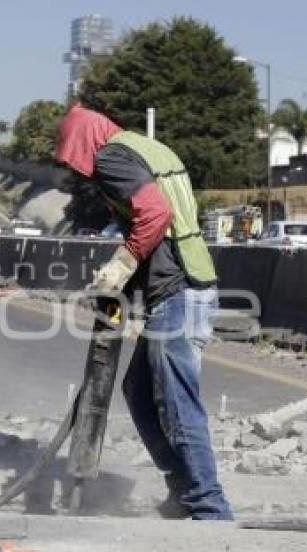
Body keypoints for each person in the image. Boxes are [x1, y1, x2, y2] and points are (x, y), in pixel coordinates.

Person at [55, 106, 233, 520]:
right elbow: (166, 226)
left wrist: (123, 262)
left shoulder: (112, 156)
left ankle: (210, 506)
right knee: (139, 391)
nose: (82, 170)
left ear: (83, 143)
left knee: (175, 401)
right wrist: (127, 285)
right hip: (187, 286)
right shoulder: (147, 148)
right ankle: (184, 492)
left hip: (178, 292)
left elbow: (155, 214)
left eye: (74, 157)